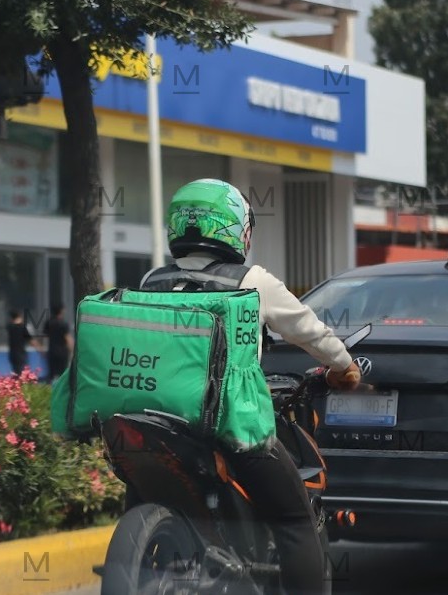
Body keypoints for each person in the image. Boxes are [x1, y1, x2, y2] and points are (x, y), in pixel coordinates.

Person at [138, 178, 362, 595]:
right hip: (228, 424)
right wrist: (345, 367)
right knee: (294, 517)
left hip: (156, 416)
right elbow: (309, 331)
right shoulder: (252, 280)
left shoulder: (153, 280)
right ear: (234, 228)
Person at [42, 304, 73, 383]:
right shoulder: (63, 323)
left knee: (51, 374)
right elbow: (68, 338)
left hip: (52, 350)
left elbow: (45, 337)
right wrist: (72, 350)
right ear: (61, 311)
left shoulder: (48, 323)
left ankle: (49, 391)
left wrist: (43, 349)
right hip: (62, 352)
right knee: (62, 374)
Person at [6, 309, 42, 375]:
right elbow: (31, 340)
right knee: (22, 373)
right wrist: (39, 348)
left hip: (12, 354)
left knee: (15, 372)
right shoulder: (22, 327)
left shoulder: (10, 327)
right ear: (20, 316)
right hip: (21, 354)